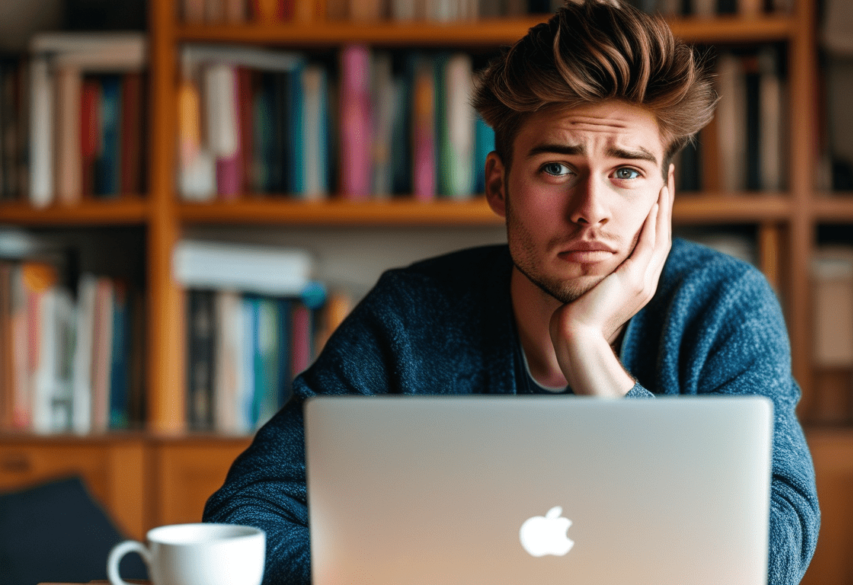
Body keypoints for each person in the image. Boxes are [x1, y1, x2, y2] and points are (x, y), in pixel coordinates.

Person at [203, 1, 820, 583]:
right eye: (557, 167)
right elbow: (243, 522)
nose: (591, 211)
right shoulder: (411, 313)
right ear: (498, 185)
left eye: (626, 172)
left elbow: (773, 554)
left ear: (665, 195)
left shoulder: (721, 304)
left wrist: (590, 355)